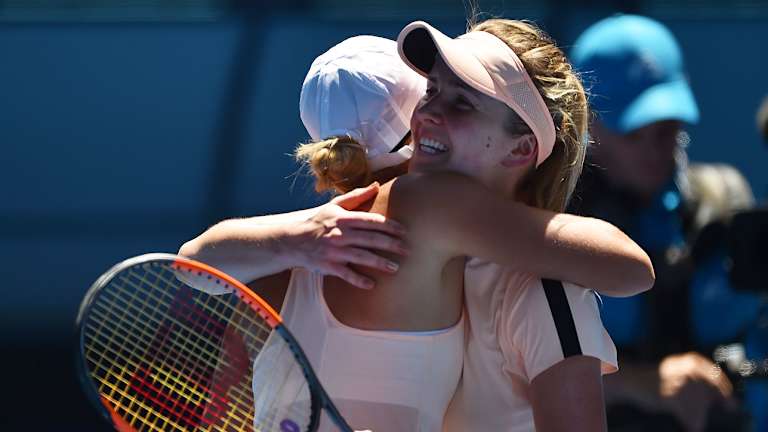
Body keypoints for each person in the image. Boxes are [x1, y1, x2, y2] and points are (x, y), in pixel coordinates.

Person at [181, 24, 653, 431]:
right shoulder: (419, 207)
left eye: (461, 102)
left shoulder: (296, 250)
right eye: (430, 92)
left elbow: (192, 264)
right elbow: (632, 268)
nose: (430, 113)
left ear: (521, 149)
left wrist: (296, 235)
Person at [568, 14, 747, 431]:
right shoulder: (550, 221)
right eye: (632, 133)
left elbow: (747, 342)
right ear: (588, 124)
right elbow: (506, 368)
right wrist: (642, 383)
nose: (652, 150)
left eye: (665, 130)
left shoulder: (722, 202)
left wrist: (720, 373)